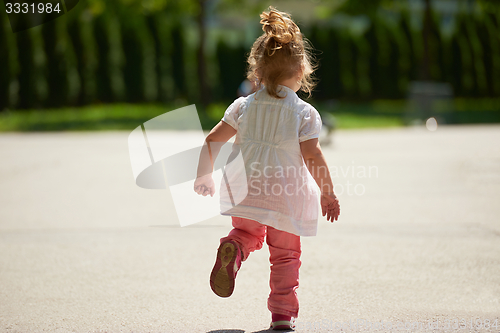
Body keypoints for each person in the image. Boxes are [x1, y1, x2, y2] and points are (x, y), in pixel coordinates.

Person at [194, 7, 340, 330]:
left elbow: (212, 139)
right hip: (284, 196)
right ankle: (281, 317)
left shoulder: (243, 106)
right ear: (301, 71)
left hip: (243, 187)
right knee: (286, 255)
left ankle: (234, 247)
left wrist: (204, 174)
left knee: (246, 231)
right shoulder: (303, 114)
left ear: (256, 73)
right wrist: (327, 193)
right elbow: (313, 156)